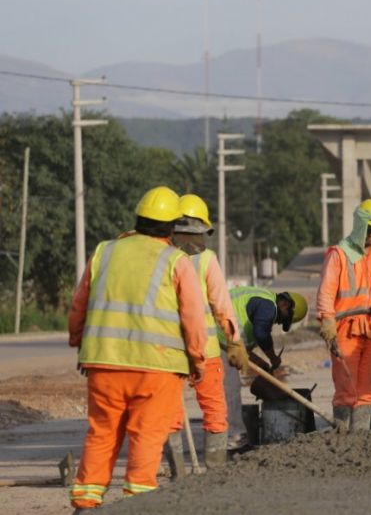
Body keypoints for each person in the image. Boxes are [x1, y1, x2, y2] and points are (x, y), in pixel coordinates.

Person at [67, 186, 208, 510]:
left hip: (104, 364)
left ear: (138, 218)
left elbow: (79, 305)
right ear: (172, 226)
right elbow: (192, 317)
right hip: (156, 370)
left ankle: (86, 502)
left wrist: (79, 342)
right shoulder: (176, 261)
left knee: (102, 433)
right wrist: (197, 359)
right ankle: (138, 502)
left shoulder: (105, 251)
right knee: (147, 435)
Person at [163, 194, 249, 474]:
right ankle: (215, 469)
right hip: (206, 350)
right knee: (214, 410)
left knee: (171, 412)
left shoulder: (162, 258)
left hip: (170, 351)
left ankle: (177, 471)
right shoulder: (206, 260)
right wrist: (234, 341)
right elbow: (222, 306)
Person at [317, 199, 371, 432]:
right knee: (346, 384)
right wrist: (327, 319)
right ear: (359, 226)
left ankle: (360, 435)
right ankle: (342, 432)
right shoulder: (339, 255)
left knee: (366, 387)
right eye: (370, 230)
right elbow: (326, 291)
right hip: (344, 329)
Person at [224, 286, 307, 450]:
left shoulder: (262, 301)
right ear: (284, 304)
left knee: (228, 389)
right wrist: (273, 357)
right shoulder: (268, 305)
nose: (278, 322)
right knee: (229, 389)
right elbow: (261, 333)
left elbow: (244, 349)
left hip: (224, 339)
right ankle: (232, 440)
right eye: (283, 319)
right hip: (215, 336)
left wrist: (261, 362)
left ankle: (231, 437)